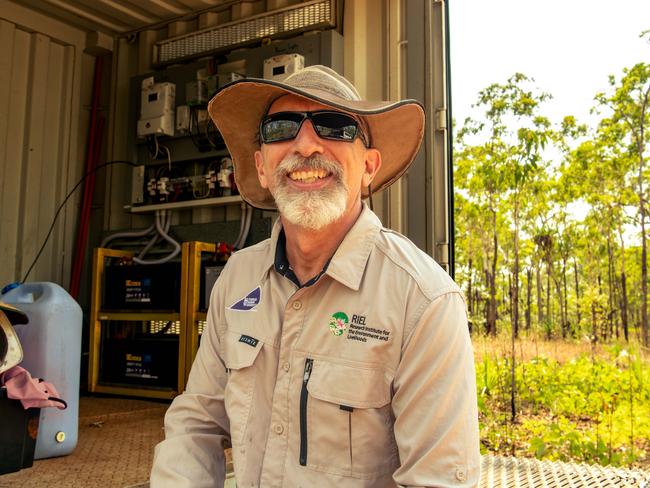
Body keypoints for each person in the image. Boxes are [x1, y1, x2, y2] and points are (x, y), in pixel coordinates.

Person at [151, 65, 480, 487]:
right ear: (263, 168)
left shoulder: (423, 301)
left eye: (335, 126)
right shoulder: (238, 278)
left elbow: (438, 480)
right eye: (281, 128)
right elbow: (195, 423)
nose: (305, 144)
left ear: (368, 167)